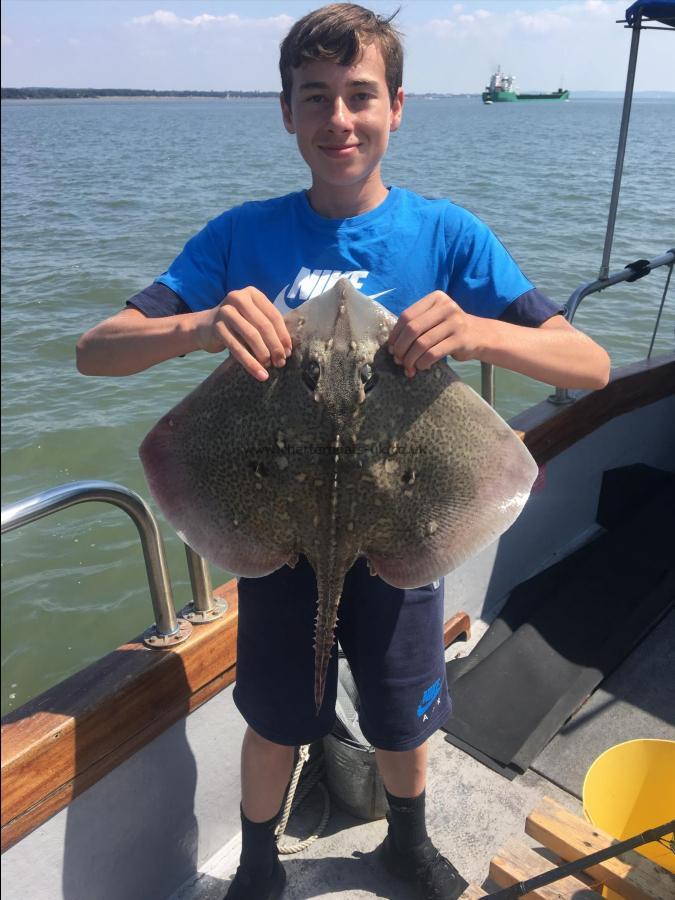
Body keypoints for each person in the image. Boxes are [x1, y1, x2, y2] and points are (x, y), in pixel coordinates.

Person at [76, 5, 610, 899]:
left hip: (405, 525)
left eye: (360, 96)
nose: (339, 119)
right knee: (275, 718)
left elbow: (589, 365)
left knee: (403, 719)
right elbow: (99, 351)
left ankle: (405, 840)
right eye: (314, 98)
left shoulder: (446, 235)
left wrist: (478, 330)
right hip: (273, 528)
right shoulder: (241, 235)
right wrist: (201, 325)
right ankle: (255, 858)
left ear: (396, 107)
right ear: (285, 113)